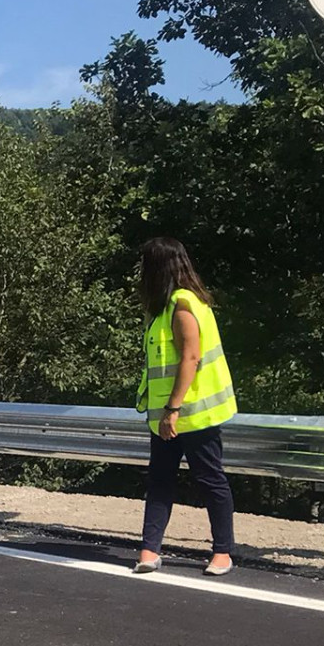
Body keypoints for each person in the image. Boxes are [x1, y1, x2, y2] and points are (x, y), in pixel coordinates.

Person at [134, 237, 237, 576]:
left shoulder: (182, 305)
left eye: (145, 264)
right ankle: (149, 551)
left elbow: (190, 358)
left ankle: (223, 552)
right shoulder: (163, 308)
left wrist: (172, 409)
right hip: (168, 417)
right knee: (160, 481)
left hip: (192, 414)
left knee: (210, 480)